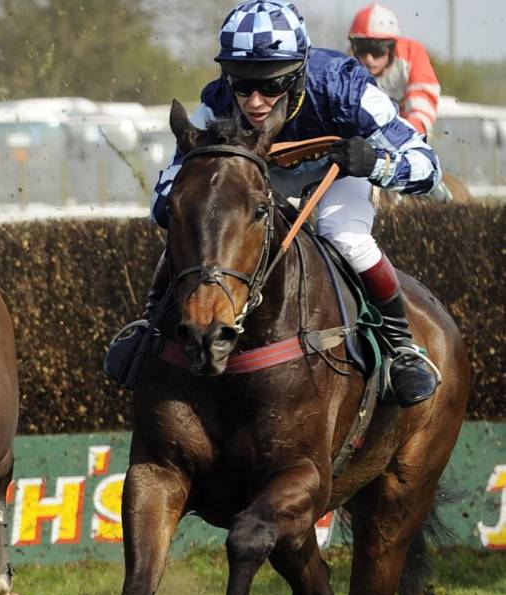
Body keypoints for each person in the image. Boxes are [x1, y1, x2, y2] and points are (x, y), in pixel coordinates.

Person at [113, 0, 442, 405]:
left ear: (300, 72)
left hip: (339, 174)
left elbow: (428, 166)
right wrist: (172, 204)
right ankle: (149, 322)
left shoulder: (346, 86)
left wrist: (378, 163)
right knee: (208, 223)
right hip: (262, 178)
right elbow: (173, 177)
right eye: (243, 84)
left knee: (344, 235)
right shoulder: (217, 98)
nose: (254, 101)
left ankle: (400, 346)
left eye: (272, 85)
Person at [348, 3, 440, 137]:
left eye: (376, 51)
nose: (369, 59)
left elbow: (422, 108)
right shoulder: (347, 66)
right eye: (362, 50)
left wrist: (400, 137)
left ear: (391, 49)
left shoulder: (412, 54)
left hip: (408, 134)